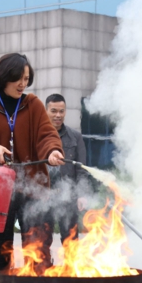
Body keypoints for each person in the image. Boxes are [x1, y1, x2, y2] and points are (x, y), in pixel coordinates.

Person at [0, 53, 64, 281]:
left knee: (37, 250)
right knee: (2, 252)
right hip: (0, 189)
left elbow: (46, 134)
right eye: (18, 78)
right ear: (4, 77)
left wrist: (52, 151)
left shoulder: (33, 104)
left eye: (26, 79)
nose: (23, 84)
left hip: (32, 188)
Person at [44, 93, 89, 244]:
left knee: (70, 240)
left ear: (65, 112)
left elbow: (81, 169)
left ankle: (71, 261)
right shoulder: (37, 136)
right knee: (42, 241)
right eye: (53, 111)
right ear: (46, 111)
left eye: (61, 111)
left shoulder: (75, 137)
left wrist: (81, 194)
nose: (58, 115)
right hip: (44, 195)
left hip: (68, 195)